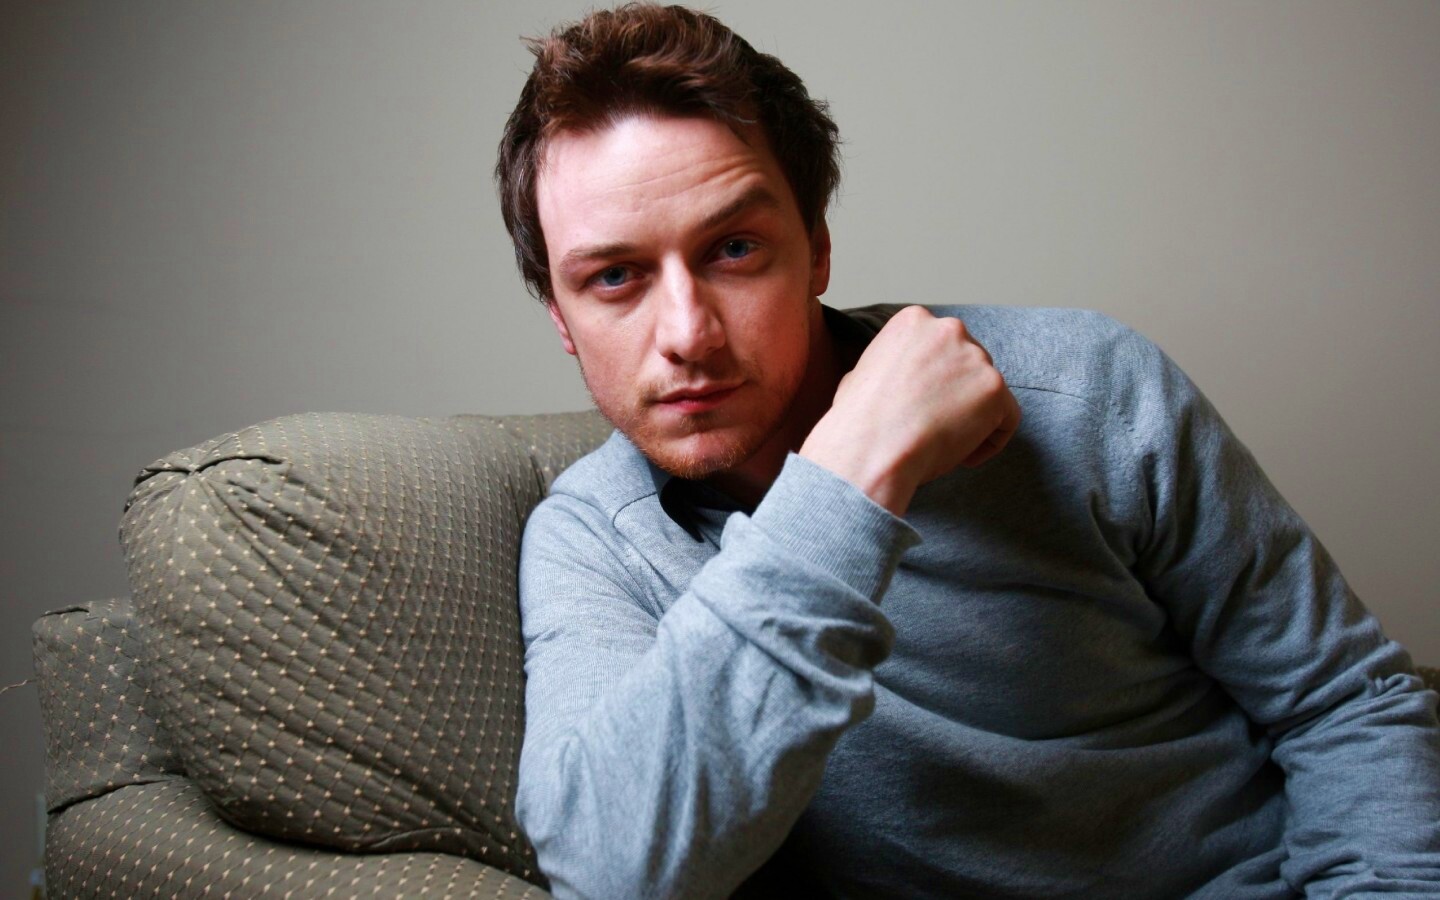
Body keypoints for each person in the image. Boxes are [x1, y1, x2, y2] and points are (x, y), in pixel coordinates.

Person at [495, 4, 1440, 897]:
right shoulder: (593, 543)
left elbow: (1343, 702)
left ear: (817, 249)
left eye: (734, 249)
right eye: (614, 277)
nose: (688, 334)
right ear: (562, 320)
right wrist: (849, 477)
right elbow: (615, 875)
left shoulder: (1086, 389)